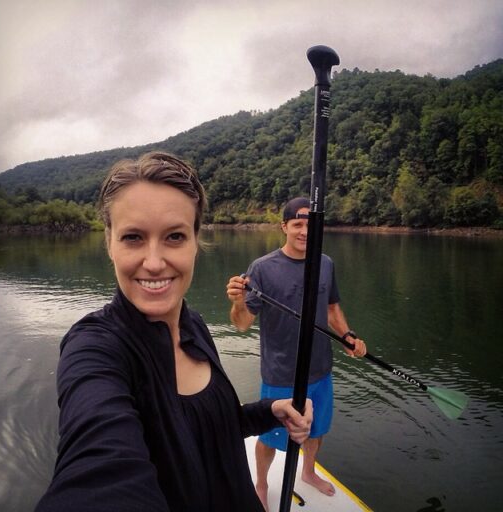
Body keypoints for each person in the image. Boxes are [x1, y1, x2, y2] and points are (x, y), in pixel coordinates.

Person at [35, 152, 313, 512]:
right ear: (109, 243)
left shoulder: (193, 325)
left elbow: (212, 427)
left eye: (175, 236)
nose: (153, 262)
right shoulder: (95, 348)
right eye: (133, 237)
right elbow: (101, 465)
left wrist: (269, 411)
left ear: (196, 242)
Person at [226, 197, 367, 511]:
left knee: (316, 430)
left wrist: (347, 335)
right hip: (281, 373)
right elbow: (242, 324)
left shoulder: (326, 263)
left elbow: (331, 308)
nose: (305, 232)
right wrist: (238, 301)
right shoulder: (262, 268)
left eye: (311, 226)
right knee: (271, 437)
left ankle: (308, 472)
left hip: (320, 369)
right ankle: (260, 484)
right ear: (284, 227)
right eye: (298, 225)